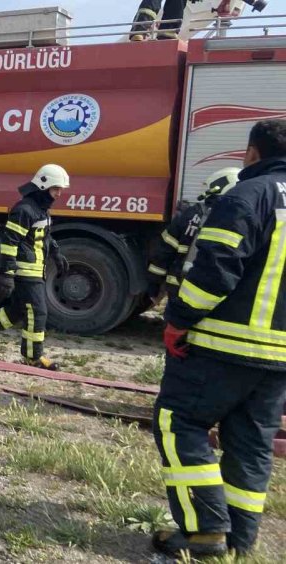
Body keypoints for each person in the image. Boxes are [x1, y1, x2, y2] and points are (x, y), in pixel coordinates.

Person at [151, 119, 286, 559]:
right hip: (279, 358)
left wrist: (179, 317)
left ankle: (205, 529)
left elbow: (215, 269)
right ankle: (239, 539)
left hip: (222, 345)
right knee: (251, 443)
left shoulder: (249, 195)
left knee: (180, 422)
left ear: (252, 153)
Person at [0, 165, 71, 371]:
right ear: (43, 185)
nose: (59, 193)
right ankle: (33, 357)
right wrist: (7, 273)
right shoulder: (24, 210)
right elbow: (9, 242)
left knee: (16, 312)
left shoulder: (41, 210)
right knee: (38, 313)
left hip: (37, 270)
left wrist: (56, 253)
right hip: (26, 271)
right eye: (56, 188)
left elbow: (44, 237)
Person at [146, 167, 241, 303]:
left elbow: (163, 251)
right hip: (216, 293)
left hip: (180, 286)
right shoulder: (238, 219)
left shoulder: (191, 214)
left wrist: (154, 285)